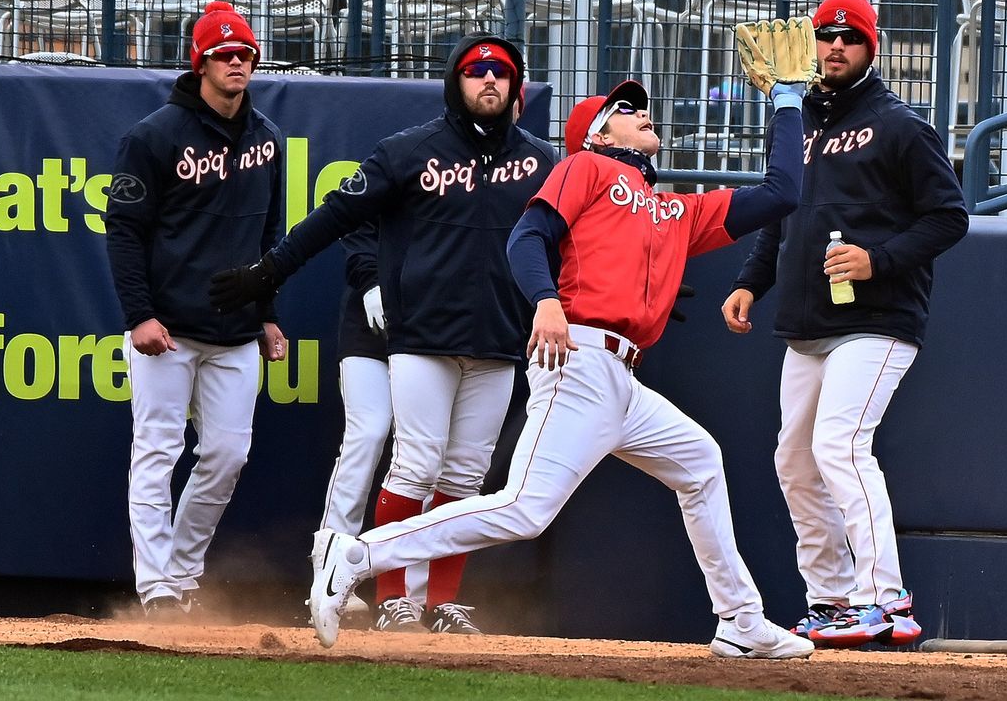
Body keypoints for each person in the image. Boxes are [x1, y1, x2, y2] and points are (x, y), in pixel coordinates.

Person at [306, 73, 814, 659]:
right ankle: (357, 555)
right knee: (524, 508)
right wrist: (547, 301)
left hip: (623, 380)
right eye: (625, 109)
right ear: (597, 132)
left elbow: (781, 193)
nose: (642, 113)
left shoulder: (676, 208)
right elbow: (528, 236)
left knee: (701, 463)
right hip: (578, 361)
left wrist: (787, 102)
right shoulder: (586, 167)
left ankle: (741, 621)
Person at [210, 33, 558, 635]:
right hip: (422, 337)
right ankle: (396, 599)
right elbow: (333, 218)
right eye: (475, 72)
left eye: (500, 72)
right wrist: (270, 270)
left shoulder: (544, 162)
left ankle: (444, 602)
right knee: (415, 466)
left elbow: (580, 235)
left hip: (500, 341)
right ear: (456, 83)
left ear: (516, 86)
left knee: (466, 481)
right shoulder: (409, 151)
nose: (488, 81)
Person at [723, 0, 969, 648]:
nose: (835, 45)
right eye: (826, 35)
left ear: (870, 47)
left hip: (880, 317)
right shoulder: (799, 120)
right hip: (807, 322)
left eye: (849, 36)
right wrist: (751, 281)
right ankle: (831, 599)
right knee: (795, 460)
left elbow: (949, 216)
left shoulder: (900, 125)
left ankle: (884, 599)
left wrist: (878, 260)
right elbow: (782, 213)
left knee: (839, 444)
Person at [105, 0, 288, 617]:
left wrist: (267, 313)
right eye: (224, 54)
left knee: (228, 455)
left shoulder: (268, 139)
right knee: (156, 451)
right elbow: (124, 232)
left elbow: (270, 236)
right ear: (200, 63)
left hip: (236, 331)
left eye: (246, 54)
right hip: (169, 328)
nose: (237, 63)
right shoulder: (153, 136)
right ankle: (157, 586)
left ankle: (182, 573)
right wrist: (138, 314)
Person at [315, 221, 393, 620]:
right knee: (369, 431)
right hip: (368, 329)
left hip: (435, 331)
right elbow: (358, 233)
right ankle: (329, 569)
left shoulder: (465, 171)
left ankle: (406, 593)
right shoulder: (388, 166)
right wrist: (371, 283)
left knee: (424, 452)